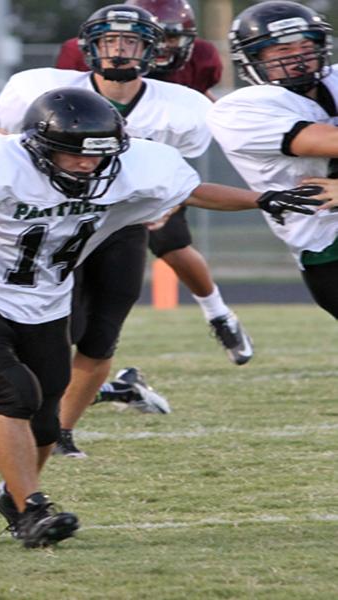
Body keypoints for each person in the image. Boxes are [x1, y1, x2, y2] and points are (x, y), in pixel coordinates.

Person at [0, 87, 314, 548]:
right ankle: (33, 510)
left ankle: (13, 494)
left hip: (49, 302)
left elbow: (193, 191)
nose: (86, 165)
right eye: (72, 155)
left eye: (98, 155)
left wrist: (261, 199)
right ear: (37, 146)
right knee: (14, 391)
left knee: (48, 420)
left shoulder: (134, 169)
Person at [0, 3, 252, 459]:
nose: (118, 51)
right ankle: (29, 413)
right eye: (109, 42)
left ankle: (60, 432)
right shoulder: (43, 90)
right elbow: (12, 150)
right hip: (62, 226)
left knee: (102, 334)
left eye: (129, 42)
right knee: (56, 333)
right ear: (89, 48)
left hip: (125, 225)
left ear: (151, 50)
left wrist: (167, 200)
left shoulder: (182, 105)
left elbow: (178, 167)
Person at [54, 1, 247, 372]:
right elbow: (66, 105)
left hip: (152, 163)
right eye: (116, 40)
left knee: (172, 244)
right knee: (63, 310)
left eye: (176, 38)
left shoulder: (197, 66)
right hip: (87, 165)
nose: (170, 49)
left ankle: (219, 314)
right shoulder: (88, 55)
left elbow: (197, 111)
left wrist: (169, 191)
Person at [207, 1, 338, 320]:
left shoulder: (333, 78)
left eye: (306, 46)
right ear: (252, 60)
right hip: (327, 245)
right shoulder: (241, 109)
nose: (298, 58)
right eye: (280, 51)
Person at [56, 0, 222, 98]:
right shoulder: (84, 51)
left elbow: (202, 99)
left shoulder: (201, 56)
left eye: (170, 37)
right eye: (143, 38)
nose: (160, 45)